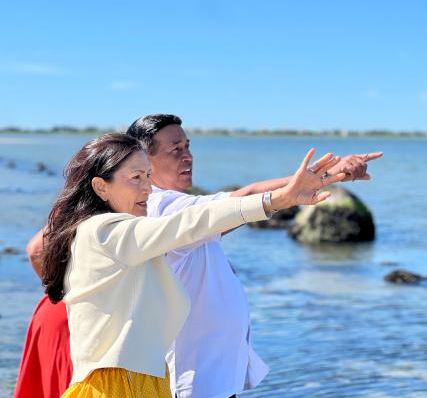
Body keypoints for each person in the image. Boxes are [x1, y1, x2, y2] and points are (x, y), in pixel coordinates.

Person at [35, 132, 345, 397]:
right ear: (101, 187)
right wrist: (276, 200)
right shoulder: (104, 231)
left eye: (147, 176)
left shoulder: (114, 234)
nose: (146, 188)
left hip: (145, 381)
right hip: (115, 386)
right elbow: (190, 223)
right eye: (135, 178)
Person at [126, 114, 383, 398]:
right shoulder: (163, 206)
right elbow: (244, 198)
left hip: (210, 378)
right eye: (176, 150)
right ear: (143, 162)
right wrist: (322, 176)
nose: (188, 157)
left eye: (188, 146)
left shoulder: (181, 209)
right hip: (191, 382)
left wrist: (324, 176)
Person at [12, 230, 72, 398]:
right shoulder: (132, 207)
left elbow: (36, 251)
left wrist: (60, 287)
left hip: (57, 309)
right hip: (72, 319)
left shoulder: (78, 205)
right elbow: (36, 250)